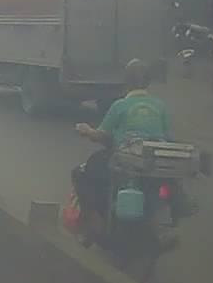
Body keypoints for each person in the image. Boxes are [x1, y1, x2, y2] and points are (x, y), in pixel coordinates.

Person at [72, 59, 174, 237]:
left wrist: (86, 130)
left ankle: (95, 224)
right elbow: (168, 137)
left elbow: (101, 135)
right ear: (148, 82)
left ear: (126, 82)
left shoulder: (119, 105)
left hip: (124, 162)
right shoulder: (160, 106)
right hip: (155, 163)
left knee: (80, 174)